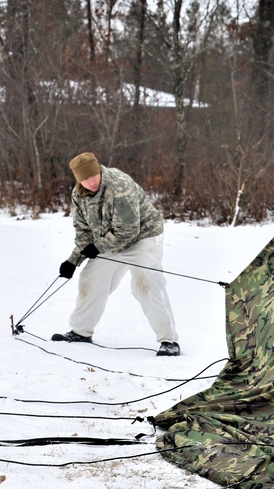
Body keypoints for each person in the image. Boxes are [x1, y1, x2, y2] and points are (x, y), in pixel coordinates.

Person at [53, 152, 181, 357]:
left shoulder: (119, 186)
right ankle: (80, 332)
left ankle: (169, 340)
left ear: (99, 170)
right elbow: (84, 233)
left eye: (93, 175)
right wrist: (73, 261)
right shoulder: (79, 195)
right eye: (85, 178)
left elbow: (129, 230)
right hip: (110, 242)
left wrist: (98, 247)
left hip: (143, 237)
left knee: (145, 281)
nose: (91, 181)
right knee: (91, 279)